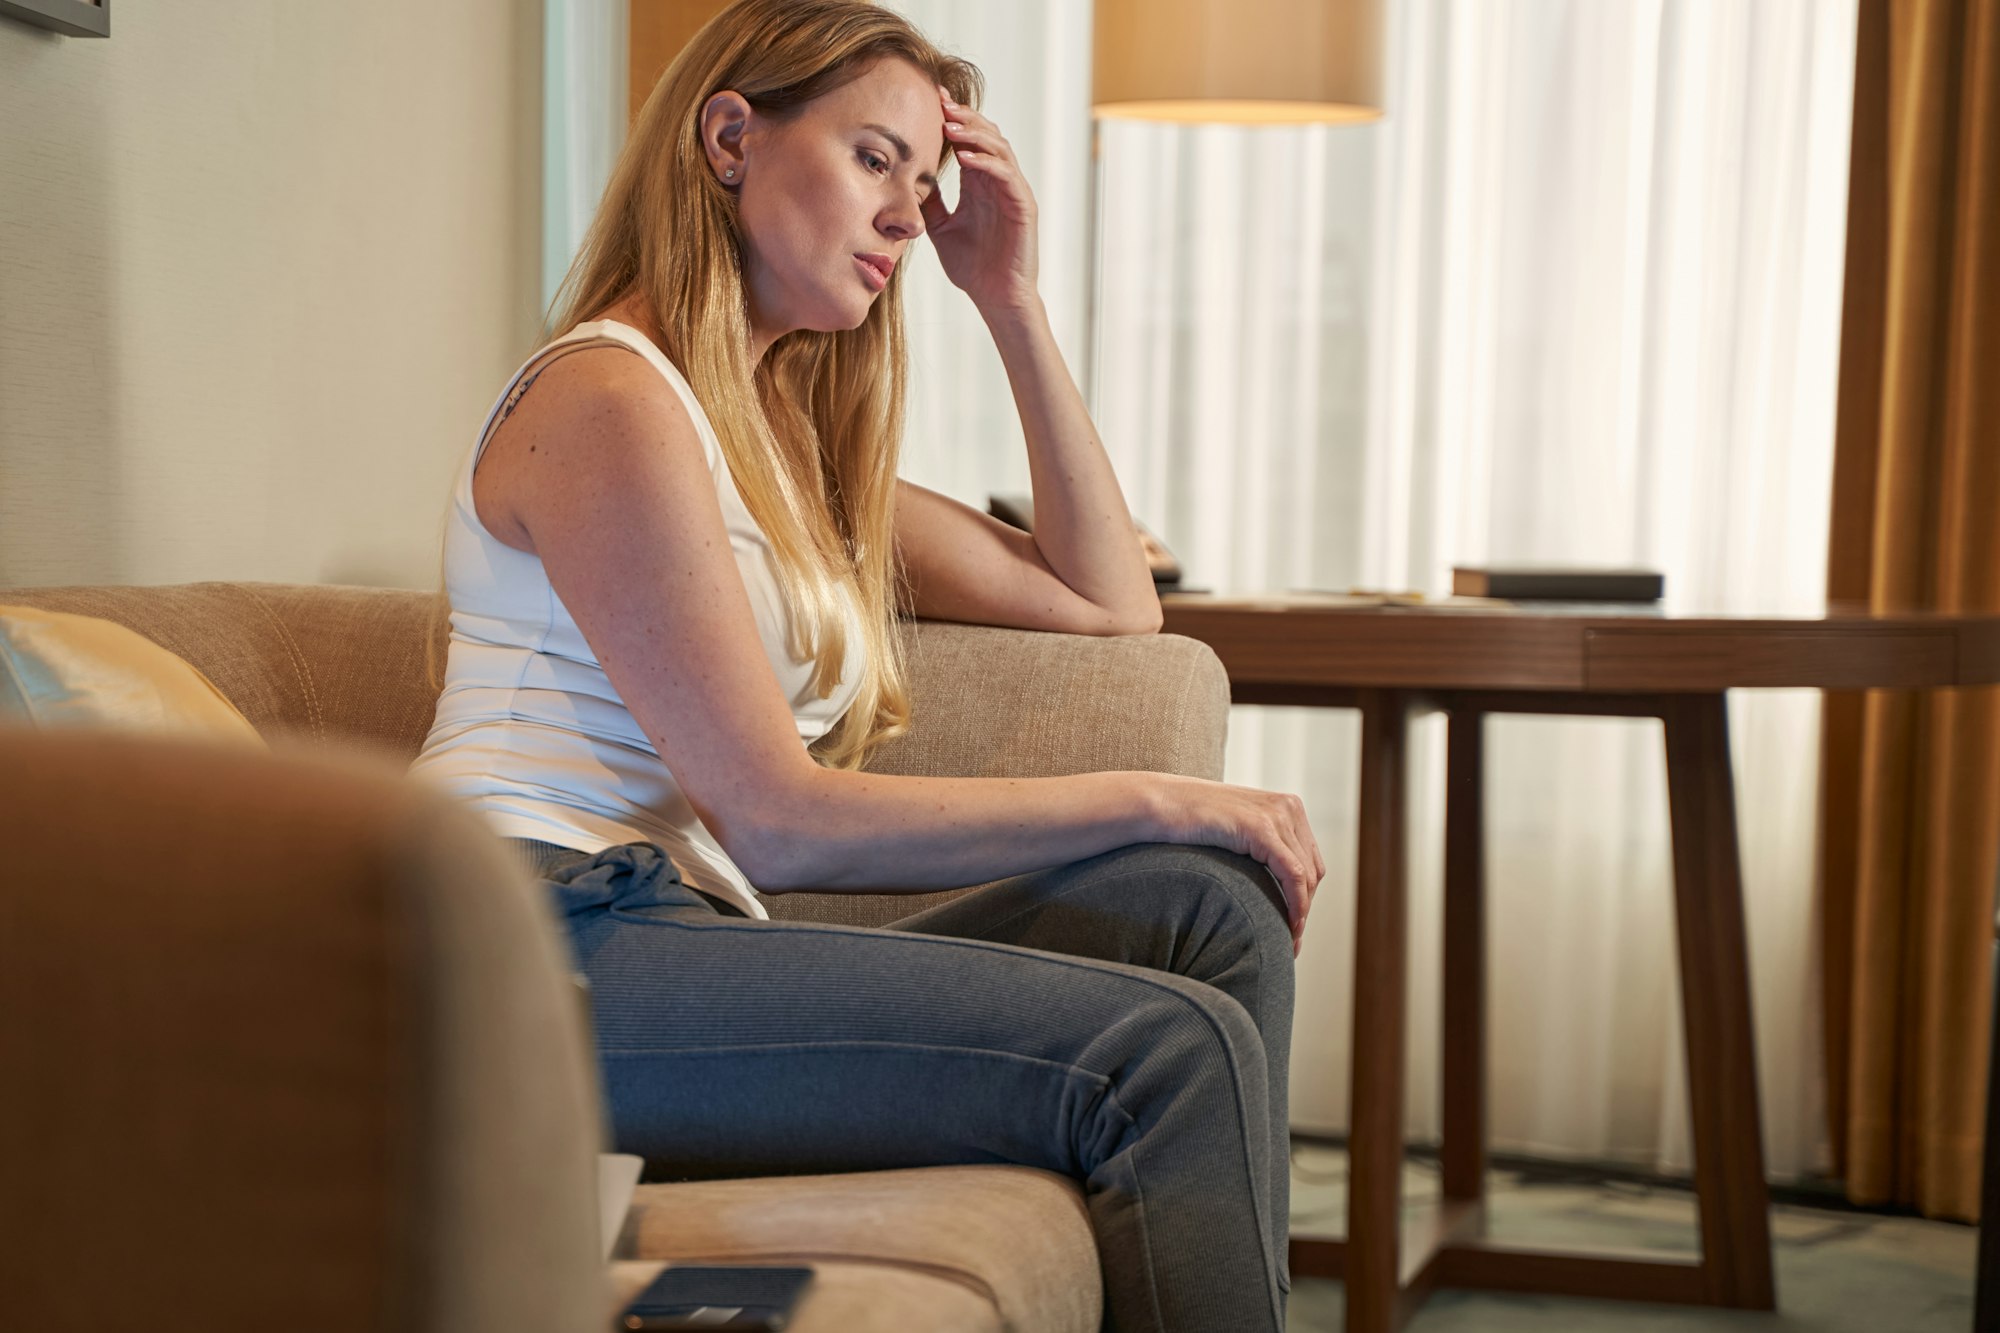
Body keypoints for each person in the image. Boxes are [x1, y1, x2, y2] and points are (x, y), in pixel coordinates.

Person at [410, 2, 1324, 1328]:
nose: (909, 212)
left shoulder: (781, 449)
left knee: (1207, 905)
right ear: (730, 137)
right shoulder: (607, 402)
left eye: (924, 176)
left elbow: (1114, 605)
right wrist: (1159, 789)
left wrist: (1008, 299)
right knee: (1164, 1053)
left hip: (665, 939)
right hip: (523, 950)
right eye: (874, 158)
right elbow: (776, 819)